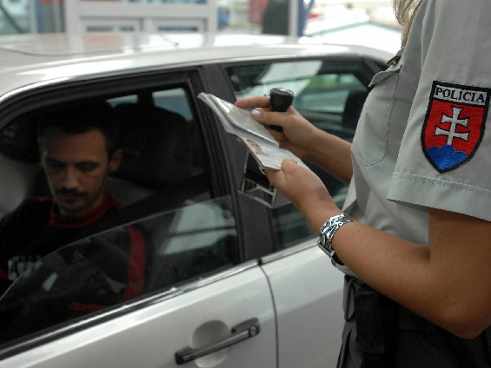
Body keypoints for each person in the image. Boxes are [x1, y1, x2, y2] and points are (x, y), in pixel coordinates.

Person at [237, 0, 491, 366]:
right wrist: (312, 142)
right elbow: (415, 191)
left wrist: (319, 209)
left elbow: (458, 298)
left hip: (426, 340)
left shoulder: (465, 11)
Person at [0, 102, 146, 306]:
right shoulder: (29, 213)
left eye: (86, 167)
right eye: (56, 165)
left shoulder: (121, 241)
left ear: (113, 161)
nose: (69, 182)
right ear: (42, 159)